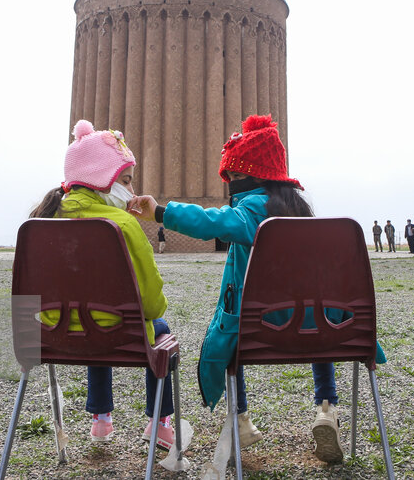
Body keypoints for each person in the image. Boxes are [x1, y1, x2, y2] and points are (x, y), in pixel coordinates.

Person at [129, 115, 386, 464]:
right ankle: (326, 409)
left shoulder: (251, 209)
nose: (232, 185)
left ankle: (241, 418)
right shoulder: (301, 211)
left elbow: (212, 223)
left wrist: (161, 212)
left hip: (260, 329)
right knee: (316, 314)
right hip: (323, 328)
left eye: (237, 177)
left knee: (236, 336)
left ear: (258, 175)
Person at [31, 119, 175, 449]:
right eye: (125, 180)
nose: (130, 189)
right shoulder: (122, 225)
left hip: (52, 334)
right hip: (118, 332)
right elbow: (152, 306)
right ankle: (160, 422)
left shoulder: (42, 222)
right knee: (158, 327)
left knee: (92, 320)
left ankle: (101, 420)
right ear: (101, 178)